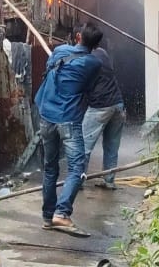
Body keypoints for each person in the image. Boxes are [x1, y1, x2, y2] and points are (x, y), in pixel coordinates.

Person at [34, 24, 103, 236]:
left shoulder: (59, 51)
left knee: (50, 168)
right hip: (68, 119)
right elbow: (89, 88)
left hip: (46, 115)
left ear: (78, 36)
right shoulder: (94, 64)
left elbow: (50, 68)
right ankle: (62, 214)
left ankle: (48, 217)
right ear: (96, 45)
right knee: (77, 168)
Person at [82, 36, 127, 190]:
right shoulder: (103, 53)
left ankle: (76, 181)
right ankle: (109, 181)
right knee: (111, 146)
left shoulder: (86, 59)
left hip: (100, 107)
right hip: (118, 104)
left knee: (83, 145)